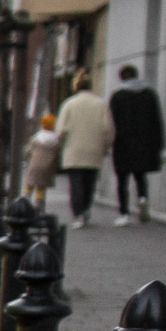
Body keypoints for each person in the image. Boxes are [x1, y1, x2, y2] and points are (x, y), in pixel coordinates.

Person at [109, 64, 166, 224]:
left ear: (121, 77)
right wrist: (159, 144)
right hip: (144, 144)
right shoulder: (149, 94)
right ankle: (142, 198)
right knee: (140, 176)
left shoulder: (118, 97)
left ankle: (124, 213)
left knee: (122, 180)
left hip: (123, 144)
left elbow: (112, 122)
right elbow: (157, 120)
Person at [56, 70, 112, 225]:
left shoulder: (69, 104)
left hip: (73, 150)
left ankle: (78, 213)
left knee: (75, 183)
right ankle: (86, 209)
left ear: (76, 86)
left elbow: (61, 130)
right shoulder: (101, 104)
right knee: (89, 182)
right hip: (94, 150)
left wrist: (60, 145)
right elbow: (108, 128)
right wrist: (107, 146)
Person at [24, 112, 62, 210]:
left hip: (34, 165)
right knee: (41, 186)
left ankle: (26, 198)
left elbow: (28, 150)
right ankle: (38, 203)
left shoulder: (36, 138)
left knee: (30, 182)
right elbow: (58, 154)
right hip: (47, 167)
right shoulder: (56, 140)